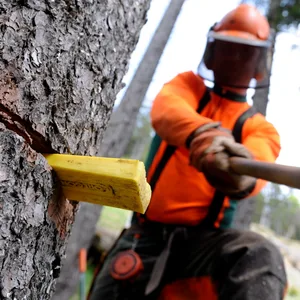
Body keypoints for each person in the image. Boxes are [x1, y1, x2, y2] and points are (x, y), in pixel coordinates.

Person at [89, 4, 287, 300]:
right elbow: (166, 111)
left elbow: (255, 168)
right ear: (212, 52)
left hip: (200, 252)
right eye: (227, 48)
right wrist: (204, 135)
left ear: (259, 62)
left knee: (259, 256)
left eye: (245, 52)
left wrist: (237, 176)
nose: (234, 57)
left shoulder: (261, 129)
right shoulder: (187, 87)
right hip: (142, 238)